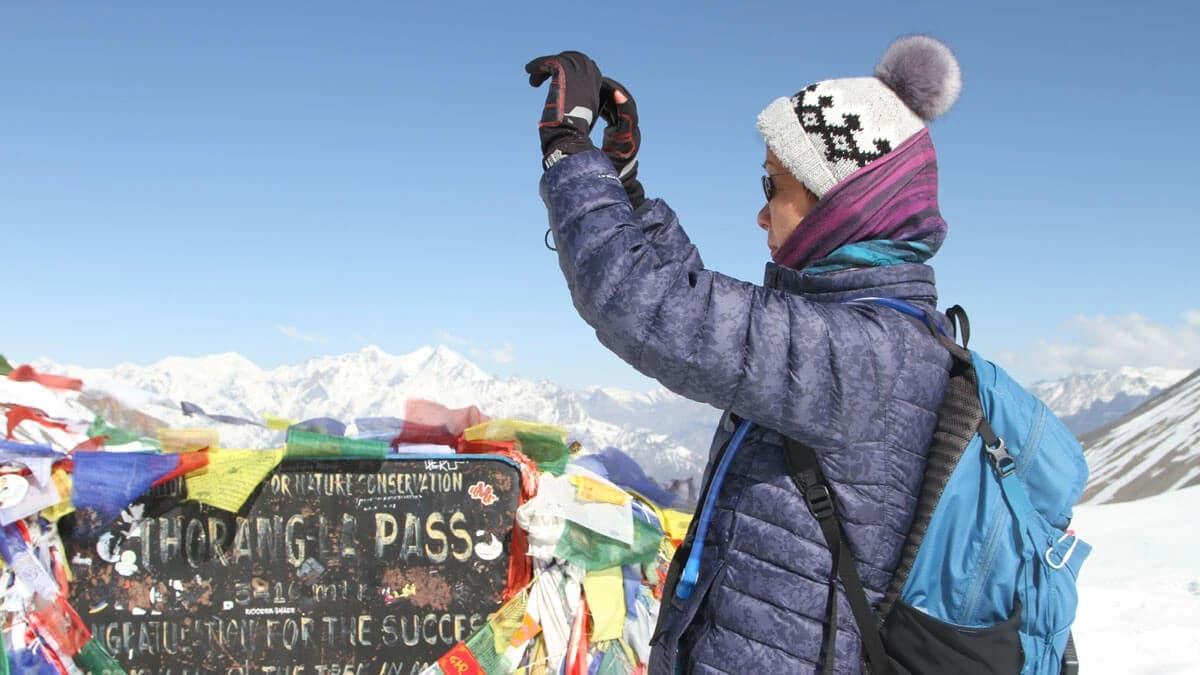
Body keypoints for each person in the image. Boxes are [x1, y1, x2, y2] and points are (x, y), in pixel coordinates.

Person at [527, 35, 962, 674]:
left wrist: (569, 152)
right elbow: (704, 310)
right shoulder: (861, 338)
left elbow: (648, 305)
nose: (761, 213)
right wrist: (623, 187)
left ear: (840, 205)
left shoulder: (866, 356)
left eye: (774, 184)